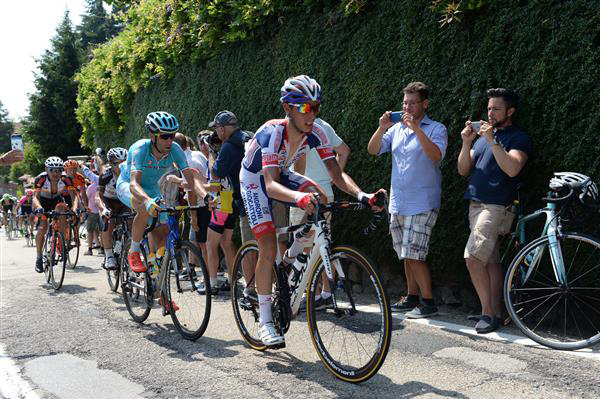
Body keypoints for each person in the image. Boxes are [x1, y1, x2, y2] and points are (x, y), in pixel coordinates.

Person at [239, 74, 385, 346]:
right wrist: (299, 198)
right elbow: (269, 185)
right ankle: (266, 321)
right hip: (255, 180)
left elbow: (336, 174)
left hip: (281, 173)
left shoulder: (316, 132)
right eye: (305, 107)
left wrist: (363, 196)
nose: (311, 114)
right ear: (288, 108)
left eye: (316, 107)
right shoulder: (272, 133)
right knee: (268, 247)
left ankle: (291, 258)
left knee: (318, 194)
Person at [367, 81, 448, 319]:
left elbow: (435, 156)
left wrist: (417, 130)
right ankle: (411, 297)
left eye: (412, 103)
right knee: (405, 252)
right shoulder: (396, 129)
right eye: (405, 103)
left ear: (425, 104)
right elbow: (373, 150)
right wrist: (382, 128)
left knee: (414, 252)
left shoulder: (436, 128)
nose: (408, 107)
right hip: (399, 201)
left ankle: (429, 302)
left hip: (423, 200)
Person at [457, 88, 532, 334]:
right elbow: (463, 170)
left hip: (497, 205)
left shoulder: (517, 137)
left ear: (510, 111)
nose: (490, 113)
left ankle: (488, 313)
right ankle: (496, 311)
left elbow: (513, 169)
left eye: (496, 108)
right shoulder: (480, 139)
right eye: (489, 108)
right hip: (475, 204)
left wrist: (492, 140)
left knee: (473, 257)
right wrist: (467, 142)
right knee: (490, 261)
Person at [116, 111, 201, 275]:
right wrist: (147, 201)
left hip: (152, 189)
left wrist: (207, 197)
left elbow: (190, 179)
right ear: (152, 135)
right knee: (143, 207)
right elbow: (134, 184)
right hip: (128, 186)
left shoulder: (175, 149)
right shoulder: (140, 149)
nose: (170, 140)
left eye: (172, 135)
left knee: (163, 230)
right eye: (164, 136)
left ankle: (155, 275)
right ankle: (133, 252)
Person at [291, 117, 350, 310]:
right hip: (326, 193)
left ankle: (313, 294)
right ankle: (326, 292)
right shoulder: (324, 126)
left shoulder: (294, 126)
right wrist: (334, 177)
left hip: (304, 194)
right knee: (324, 243)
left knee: (305, 245)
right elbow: (344, 151)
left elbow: (297, 167)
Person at [204, 111, 251, 294]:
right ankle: (234, 280)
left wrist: (211, 155)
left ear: (223, 128)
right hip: (250, 197)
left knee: (211, 243)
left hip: (227, 199)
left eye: (217, 128)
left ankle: (213, 283)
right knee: (227, 241)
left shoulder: (228, 147)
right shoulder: (248, 137)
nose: (217, 132)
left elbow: (216, 175)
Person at [169, 133, 211, 269]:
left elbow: (192, 189)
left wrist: (193, 217)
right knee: (208, 243)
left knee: (204, 245)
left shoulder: (186, 162)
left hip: (201, 205)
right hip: (210, 202)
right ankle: (212, 276)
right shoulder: (197, 154)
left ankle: (211, 279)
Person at [32, 157, 79, 273]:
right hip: (42, 202)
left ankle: (61, 242)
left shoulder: (66, 179)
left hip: (56, 200)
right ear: (46, 169)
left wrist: (74, 209)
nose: (55, 173)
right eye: (52, 170)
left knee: (62, 209)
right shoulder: (41, 178)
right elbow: (35, 197)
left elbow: (74, 197)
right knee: (42, 229)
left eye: (58, 170)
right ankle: (38, 257)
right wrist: (38, 207)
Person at [95, 147, 128, 267]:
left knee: (132, 221)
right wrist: (103, 209)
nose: (121, 167)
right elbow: (98, 195)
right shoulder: (106, 175)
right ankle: (109, 256)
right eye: (117, 164)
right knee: (109, 222)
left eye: (125, 163)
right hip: (108, 201)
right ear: (111, 164)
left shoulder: (131, 173)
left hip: (124, 201)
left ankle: (129, 249)